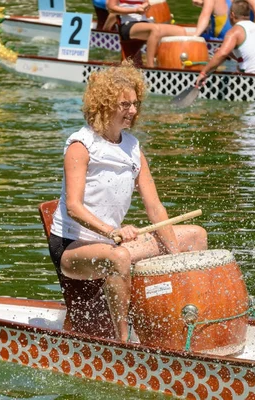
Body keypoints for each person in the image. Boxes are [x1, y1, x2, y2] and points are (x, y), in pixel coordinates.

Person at [49, 62, 208, 341]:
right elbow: (73, 207)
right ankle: (124, 341)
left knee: (195, 237)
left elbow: (155, 207)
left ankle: (183, 321)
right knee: (120, 257)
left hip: (111, 242)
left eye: (135, 103)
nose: (133, 111)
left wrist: (176, 257)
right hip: (72, 248)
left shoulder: (132, 147)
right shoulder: (80, 145)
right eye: (125, 104)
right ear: (104, 104)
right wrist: (113, 232)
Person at [196, 0, 255, 85]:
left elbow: (222, 54)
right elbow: (250, 56)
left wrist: (203, 73)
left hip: (254, 80)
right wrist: (230, 54)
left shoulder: (234, 32)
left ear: (232, 15)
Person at [105, 0, 188, 68]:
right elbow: (111, 8)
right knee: (155, 30)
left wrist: (145, 5)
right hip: (127, 24)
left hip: (144, 22)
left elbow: (146, 2)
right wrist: (135, 10)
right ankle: (150, 67)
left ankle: (173, 66)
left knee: (180, 31)